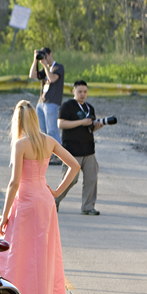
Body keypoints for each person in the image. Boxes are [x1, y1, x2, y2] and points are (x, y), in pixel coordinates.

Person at [0, 100, 80, 294]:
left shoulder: (20, 144)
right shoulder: (48, 140)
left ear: (18, 121)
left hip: (26, 202)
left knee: (20, 255)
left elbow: (14, 183)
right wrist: (57, 192)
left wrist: (4, 214)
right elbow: (74, 166)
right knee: (42, 255)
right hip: (44, 200)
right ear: (35, 118)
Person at [56, 80, 104, 215]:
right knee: (71, 179)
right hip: (71, 150)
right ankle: (54, 199)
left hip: (88, 150)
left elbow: (89, 128)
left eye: (85, 92)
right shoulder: (67, 106)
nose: (82, 94)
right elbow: (61, 124)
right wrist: (81, 122)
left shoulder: (89, 108)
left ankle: (88, 206)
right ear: (73, 91)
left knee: (91, 179)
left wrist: (97, 126)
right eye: (80, 91)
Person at [29, 46, 65, 164]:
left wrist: (45, 66)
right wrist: (35, 60)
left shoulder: (58, 67)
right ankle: (47, 154)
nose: (43, 58)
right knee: (42, 131)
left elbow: (52, 78)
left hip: (52, 102)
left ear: (50, 54)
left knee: (52, 130)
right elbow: (32, 75)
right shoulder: (45, 68)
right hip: (41, 102)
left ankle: (59, 156)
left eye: (45, 56)